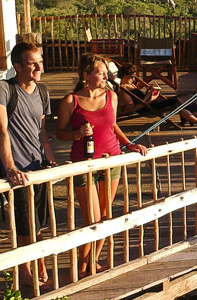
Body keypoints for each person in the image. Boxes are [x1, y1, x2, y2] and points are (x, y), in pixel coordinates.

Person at [56, 54, 148, 277]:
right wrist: (77, 134)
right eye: (100, 71)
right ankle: (81, 265)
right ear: (86, 75)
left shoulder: (111, 96)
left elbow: (113, 125)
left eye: (106, 71)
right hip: (84, 164)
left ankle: (92, 261)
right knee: (92, 219)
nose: (106, 75)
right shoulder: (71, 101)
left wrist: (129, 144)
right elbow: (59, 132)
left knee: (105, 216)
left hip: (112, 158)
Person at [0, 41, 57, 289]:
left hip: (38, 165)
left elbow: (42, 131)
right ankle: (25, 272)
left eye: (40, 61)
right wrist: (10, 168)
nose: (39, 67)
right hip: (18, 168)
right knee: (23, 223)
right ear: (17, 66)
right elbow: (0, 129)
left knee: (38, 222)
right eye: (32, 63)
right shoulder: (4, 89)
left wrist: (50, 160)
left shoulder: (42, 91)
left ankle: (40, 268)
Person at [115, 63, 197, 130]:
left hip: (152, 103)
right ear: (124, 75)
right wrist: (150, 100)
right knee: (178, 101)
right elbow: (131, 108)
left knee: (186, 96)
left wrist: (148, 92)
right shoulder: (123, 90)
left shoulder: (131, 85)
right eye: (131, 77)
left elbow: (140, 98)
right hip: (149, 108)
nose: (133, 79)